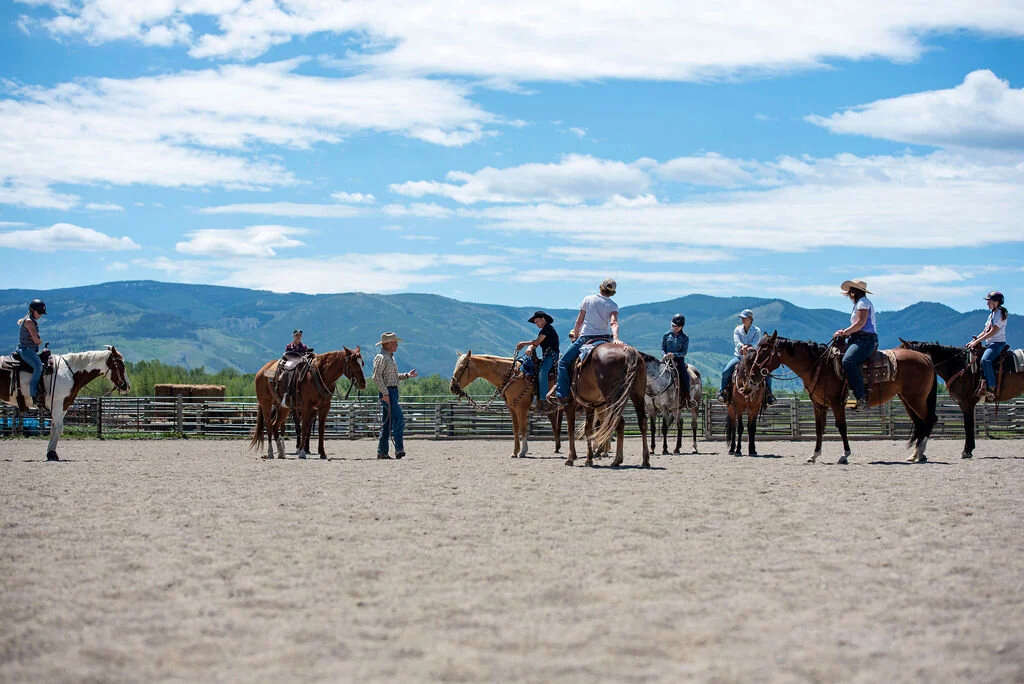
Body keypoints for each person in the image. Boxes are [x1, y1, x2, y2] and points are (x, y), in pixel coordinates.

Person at [550, 278, 620, 407]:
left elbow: (578, 322)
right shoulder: (613, 305)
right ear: (612, 293)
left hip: (586, 338)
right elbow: (613, 323)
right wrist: (615, 338)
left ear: (600, 287)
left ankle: (562, 395)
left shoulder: (588, 299)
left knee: (563, 362)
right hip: (604, 338)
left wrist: (576, 337)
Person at [833, 280, 877, 411]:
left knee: (848, 361)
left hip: (865, 340)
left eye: (850, 292)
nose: (849, 296)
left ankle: (860, 396)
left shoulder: (863, 303)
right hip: (858, 339)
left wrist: (844, 332)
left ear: (854, 292)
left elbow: (860, 323)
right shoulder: (860, 303)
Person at [372, 331, 418, 459]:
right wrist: (385, 393)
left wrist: (407, 375)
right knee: (398, 419)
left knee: (387, 423)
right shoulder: (381, 358)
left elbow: (391, 377)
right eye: (394, 342)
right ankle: (399, 449)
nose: (397, 345)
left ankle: (382, 452)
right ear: (388, 344)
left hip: (391, 392)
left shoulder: (389, 357)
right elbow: (376, 377)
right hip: (388, 393)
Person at [719, 309, 775, 405]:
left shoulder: (757, 330)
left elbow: (756, 343)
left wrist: (747, 346)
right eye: (742, 318)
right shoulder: (737, 329)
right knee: (726, 371)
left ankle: (769, 393)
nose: (742, 320)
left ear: (750, 318)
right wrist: (742, 346)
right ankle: (723, 392)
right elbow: (737, 341)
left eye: (744, 318)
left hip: (753, 358)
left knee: (767, 373)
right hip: (739, 357)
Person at [968, 291, 1009, 402]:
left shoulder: (1000, 314)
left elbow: (992, 332)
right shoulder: (991, 314)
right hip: (989, 343)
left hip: (997, 343)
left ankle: (991, 387)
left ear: (997, 302)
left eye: (989, 302)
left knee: (985, 360)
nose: (987, 304)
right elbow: (985, 330)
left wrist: (976, 342)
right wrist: (974, 341)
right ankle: (980, 384)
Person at [516, 311, 559, 408]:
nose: (536, 324)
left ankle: (544, 399)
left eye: (537, 321)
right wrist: (530, 347)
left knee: (542, 372)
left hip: (551, 355)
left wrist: (523, 343)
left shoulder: (547, 329)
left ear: (543, 319)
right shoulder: (544, 330)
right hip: (547, 355)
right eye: (535, 322)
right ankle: (535, 395)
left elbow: (537, 342)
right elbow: (536, 344)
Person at [15, 299, 47, 406]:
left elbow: (35, 339)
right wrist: (38, 340)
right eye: (39, 312)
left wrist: (36, 340)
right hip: (26, 349)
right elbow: (37, 340)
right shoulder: (29, 322)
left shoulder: (31, 321)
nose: (40, 315)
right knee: (38, 366)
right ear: (32, 310)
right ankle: (34, 393)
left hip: (29, 349)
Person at [662, 314, 693, 408]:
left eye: (677, 326)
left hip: (679, 361)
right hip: (666, 359)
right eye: (673, 325)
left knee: (685, 376)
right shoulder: (666, 335)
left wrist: (674, 355)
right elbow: (662, 348)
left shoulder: (685, 338)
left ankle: (688, 397)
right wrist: (664, 355)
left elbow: (684, 352)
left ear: (681, 326)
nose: (675, 328)